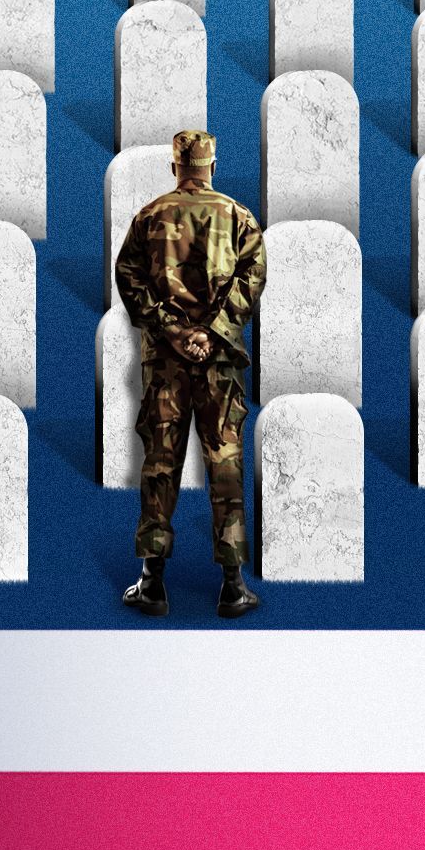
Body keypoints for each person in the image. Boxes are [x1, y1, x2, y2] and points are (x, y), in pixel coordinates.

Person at [114, 130, 267, 618]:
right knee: (224, 462)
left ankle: (152, 582)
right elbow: (253, 276)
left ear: (175, 167)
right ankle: (233, 584)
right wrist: (213, 331)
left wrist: (173, 331)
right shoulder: (238, 217)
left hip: (164, 362)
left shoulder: (150, 216)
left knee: (160, 461)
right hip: (218, 362)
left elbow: (128, 275)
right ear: (212, 166)